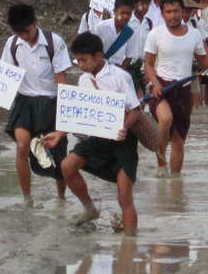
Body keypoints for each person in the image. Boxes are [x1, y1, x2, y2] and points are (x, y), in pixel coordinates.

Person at [42, 33, 142, 236]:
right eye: (77, 60)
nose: (80, 64)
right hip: (97, 139)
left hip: (123, 142)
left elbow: (136, 110)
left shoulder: (120, 76)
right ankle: (90, 208)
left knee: (124, 196)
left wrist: (123, 128)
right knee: (67, 166)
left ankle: (130, 243)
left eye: (84, 60)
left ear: (98, 55)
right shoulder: (84, 81)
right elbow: (80, 115)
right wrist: (60, 134)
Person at [0, 4, 72, 207]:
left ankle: (61, 196)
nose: (24, 36)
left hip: (52, 102)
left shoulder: (55, 42)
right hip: (25, 102)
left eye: (26, 31)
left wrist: (65, 113)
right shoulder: (12, 44)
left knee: (58, 153)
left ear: (36, 22)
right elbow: (4, 78)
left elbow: (61, 80)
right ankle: (27, 198)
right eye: (19, 32)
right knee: (21, 146)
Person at [144, 0, 208, 178]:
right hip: (162, 89)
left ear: (183, 12)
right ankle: (161, 166)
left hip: (183, 89)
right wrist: (156, 84)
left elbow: (203, 61)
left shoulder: (194, 34)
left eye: (176, 11)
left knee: (178, 141)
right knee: (165, 119)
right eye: (168, 12)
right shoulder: (155, 34)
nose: (173, 15)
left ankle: (175, 182)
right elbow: (149, 64)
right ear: (162, 14)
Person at [94, 0, 139, 70]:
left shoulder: (130, 33)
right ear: (115, 11)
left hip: (117, 69)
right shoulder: (101, 27)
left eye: (128, 14)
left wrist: (121, 70)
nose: (125, 16)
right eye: (122, 13)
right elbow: (94, 49)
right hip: (100, 67)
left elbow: (129, 56)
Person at [127, 0, 153, 100]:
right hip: (128, 66)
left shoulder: (149, 23)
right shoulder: (127, 21)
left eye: (148, 4)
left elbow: (149, 48)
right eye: (143, 3)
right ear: (135, 3)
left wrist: (148, 70)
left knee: (140, 100)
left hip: (141, 68)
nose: (146, 7)